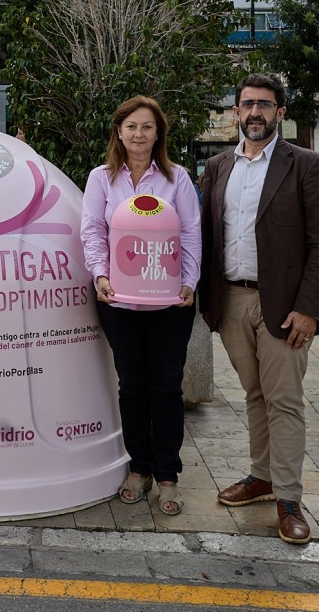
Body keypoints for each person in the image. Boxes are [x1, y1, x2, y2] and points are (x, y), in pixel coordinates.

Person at [199, 73, 319, 545]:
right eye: (247, 104)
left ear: (280, 112)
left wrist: (310, 310)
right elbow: (205, 237)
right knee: (255, 395)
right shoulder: (218, 167)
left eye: (264, 104)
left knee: (284, 401)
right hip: (232, 300)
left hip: (284, 307)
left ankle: (289, 500)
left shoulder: (307, 165)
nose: (255, 112)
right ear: (235, 113)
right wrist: (204, 301)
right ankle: (261, 477)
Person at [81, 96, 201, 516]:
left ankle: (167, 476)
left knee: (167, 388)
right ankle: (139, 468)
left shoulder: (177, 178)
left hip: (170, 304)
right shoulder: (101, 179)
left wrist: (189, 282)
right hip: (120, 304)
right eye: (131, 126)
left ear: (158, 134)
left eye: (147, 127)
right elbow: (92, 231)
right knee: (132, 387)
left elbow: (190, 233)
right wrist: (100, 274)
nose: (138, 134)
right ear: (119, 131)